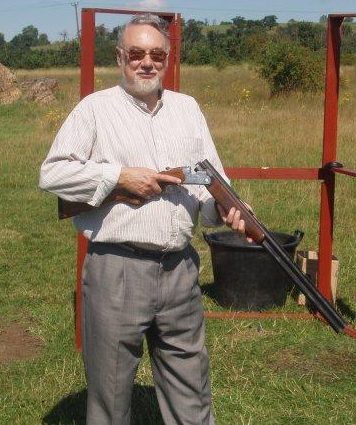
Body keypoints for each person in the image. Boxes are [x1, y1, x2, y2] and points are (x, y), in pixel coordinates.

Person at [39, 13, 247, 425]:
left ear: (167, 59)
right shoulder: (94, 110)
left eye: (156, 54)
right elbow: (52, 173)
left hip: (181, 270)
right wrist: (118, 177)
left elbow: (209, 180)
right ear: (120, 57)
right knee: (111, 400)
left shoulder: (188, 109)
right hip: (118, 269)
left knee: (192, 392)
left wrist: (226, 210)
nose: (146, 62)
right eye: (136, 53)